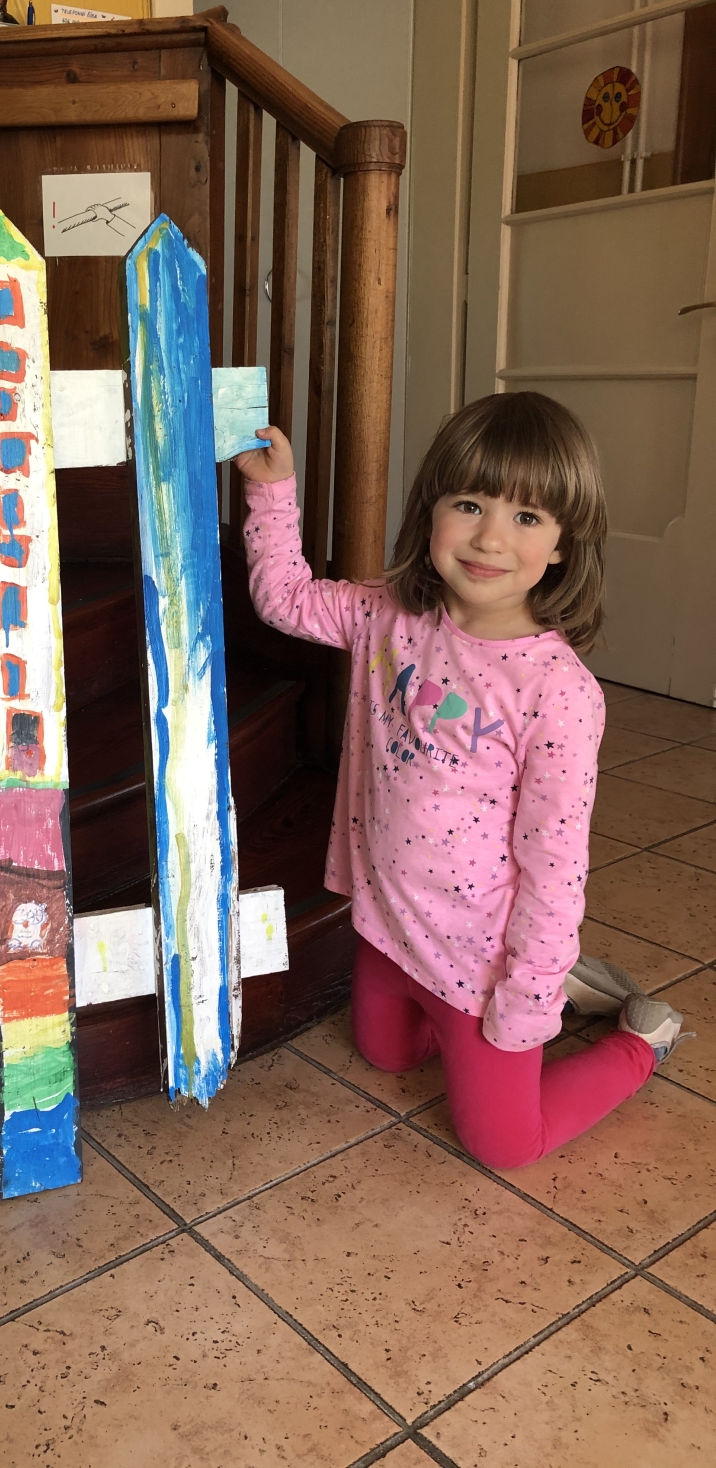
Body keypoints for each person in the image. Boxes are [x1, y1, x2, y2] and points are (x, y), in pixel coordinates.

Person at [235, 392, 692, 1170]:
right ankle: (567, 983)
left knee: (505, 1145)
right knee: (385, 1055)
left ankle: (637, 1039)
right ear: (431, 512)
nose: (489, 538)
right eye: (470, 504)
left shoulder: (557, 693)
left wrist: (526, 992)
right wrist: (271, 491)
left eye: (526, 517)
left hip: (483, 961)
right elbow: (282, 601)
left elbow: (553, 867)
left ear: (562, 545)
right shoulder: (386, 615)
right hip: (389, 924)